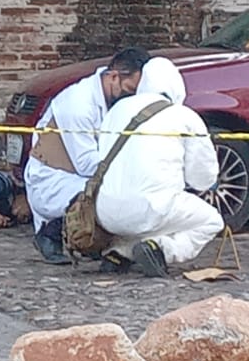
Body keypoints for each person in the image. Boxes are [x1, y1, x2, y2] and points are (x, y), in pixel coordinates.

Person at [93, 56, 224, 277]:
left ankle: (119, 252)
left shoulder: (116, 110)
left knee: (140, 213)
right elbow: (203, 179)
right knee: (211, 221)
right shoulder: (184, 116)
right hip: (151, 209)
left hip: (103, 212)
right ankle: (161, 250)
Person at [23, 47, 149, 264]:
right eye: (129, 90)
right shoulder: (78, 105)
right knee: (115, 195)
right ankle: (50, 232)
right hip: (55, 181)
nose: (131, 97)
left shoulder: (111, 100)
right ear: (113, 77)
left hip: (82, 178)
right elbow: (87, 165)